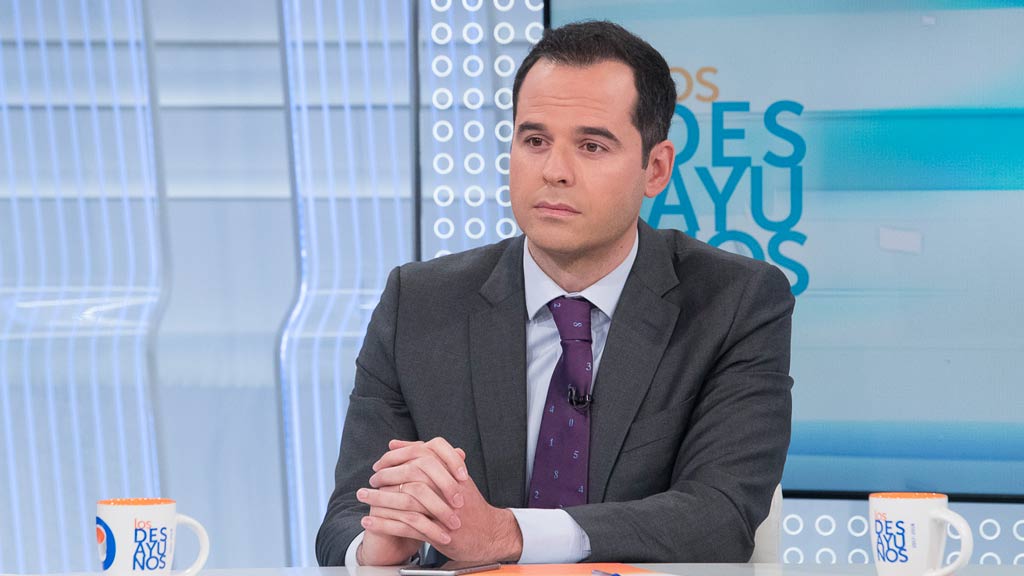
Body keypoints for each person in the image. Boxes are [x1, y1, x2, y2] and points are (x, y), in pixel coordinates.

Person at [316, 20, 794, 566]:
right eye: (535, 140)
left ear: (655, 168)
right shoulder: (418, 304)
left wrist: (508, 535)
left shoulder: (735, 303)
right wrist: (378, 547)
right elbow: (346, 519)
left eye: (591, 146)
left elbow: (720, 516)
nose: (554, 171)